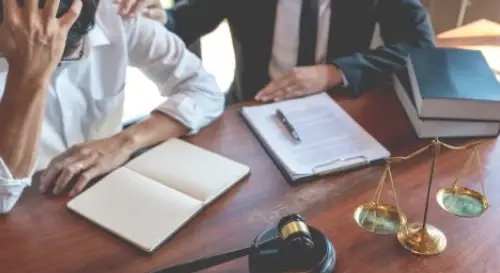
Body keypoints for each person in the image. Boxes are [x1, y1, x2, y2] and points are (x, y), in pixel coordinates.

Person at [0, 0, 224, 212]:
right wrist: (30, 72)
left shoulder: (113, 16)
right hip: (25, 210)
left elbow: (204, 89)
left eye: (69, 55)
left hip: (107, 189)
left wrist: (124, 142)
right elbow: (3, 197)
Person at [118, 0, 436, 104]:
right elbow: (185, 20)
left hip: (340, 107)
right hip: (252, 105)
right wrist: (158, 17)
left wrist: (334, 72)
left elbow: (422, 49)